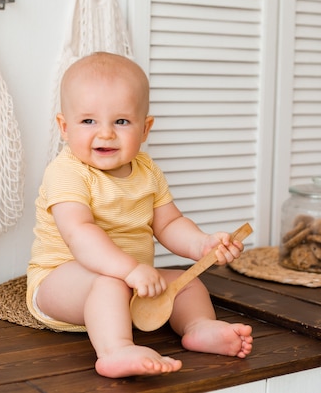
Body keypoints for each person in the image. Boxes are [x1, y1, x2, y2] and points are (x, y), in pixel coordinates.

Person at [26, 51, 253, 378]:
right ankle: (115, 350)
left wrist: (202, 244)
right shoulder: (67, 173)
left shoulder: (147, 171)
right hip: (62, 283)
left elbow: (170, 223)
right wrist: (130, 270)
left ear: (145, 128)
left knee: (185, 282)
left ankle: (200, 327)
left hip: (131, 281)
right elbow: (80, 234)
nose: (105, 133)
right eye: (89, 121)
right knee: (108, 283)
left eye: (121, 121)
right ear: (64, 126)